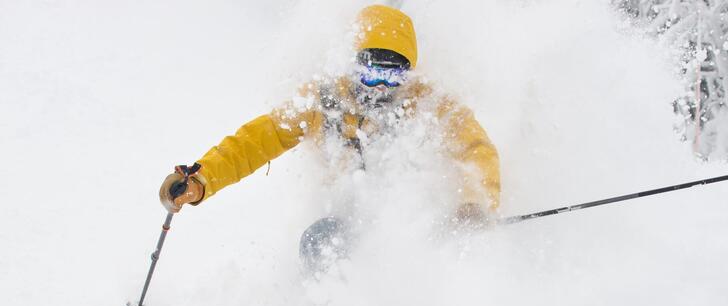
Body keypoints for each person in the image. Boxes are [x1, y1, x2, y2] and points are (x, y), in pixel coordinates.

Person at [159, 5, 500, 272]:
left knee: (443, 253)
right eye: (371, 73)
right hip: (347, 224)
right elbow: (258, 139)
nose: (380, 86)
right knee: (320, 240)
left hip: (413, 223)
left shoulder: (427, 102)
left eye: (392, 75)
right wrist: (202, 179)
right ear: (354, 65)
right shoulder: (324, 101)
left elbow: (475, 147)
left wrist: (475, 203)